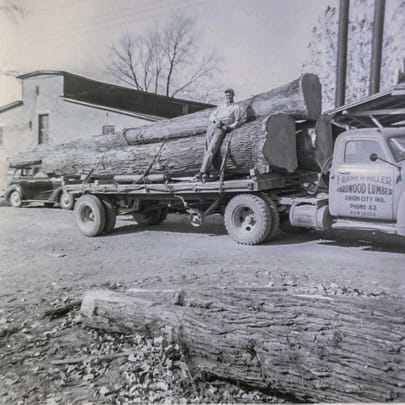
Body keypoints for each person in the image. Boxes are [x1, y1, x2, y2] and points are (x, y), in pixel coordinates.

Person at [195, 88, 246, 180]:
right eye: (226, 95)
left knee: (212, 148)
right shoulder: (221, 107)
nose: (228, 97)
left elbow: (238, 121)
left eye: (229, 95)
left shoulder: (236, 107)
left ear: (233, 96)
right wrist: (215, 121)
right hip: (212, 126)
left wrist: (230, 127)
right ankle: (206, 172)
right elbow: (212, 115)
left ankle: (203, 171)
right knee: (206, 148)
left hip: (221, 128)